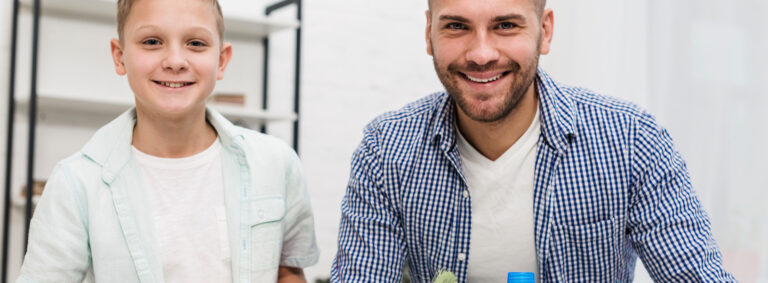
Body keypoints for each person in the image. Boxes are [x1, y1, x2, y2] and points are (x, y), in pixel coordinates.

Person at [331, 0, 735, 282]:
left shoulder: (632, 141)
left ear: (544, 32)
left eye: (506, 25)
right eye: (456, 26)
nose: (481, 53)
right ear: (428, 33)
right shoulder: (386, 150)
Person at [17, 0, 318, 282]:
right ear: (120, 56)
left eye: (196, 43)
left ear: (222, 60)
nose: (175, 61)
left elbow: (287, 271)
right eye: (152, 42)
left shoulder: (277, 164)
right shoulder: (75, 183)